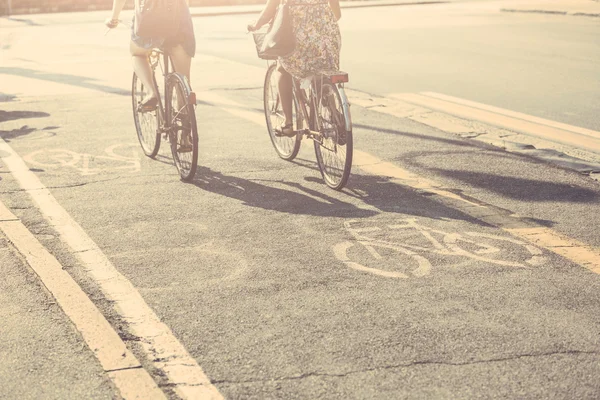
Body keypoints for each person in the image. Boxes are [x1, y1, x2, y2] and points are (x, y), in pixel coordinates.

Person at [248, 0, 341, 137]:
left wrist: (256, 25)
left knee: (282, 69)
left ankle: (288, 124)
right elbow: (337, 14)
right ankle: (335, 114)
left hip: (299, 41)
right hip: (328, 40)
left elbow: (269, 10)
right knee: (321, 70)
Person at [105, 0, 196, 110]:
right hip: (179, 21)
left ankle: (152, 92)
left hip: (148, 20)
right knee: (184, 81)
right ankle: (185, 116)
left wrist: (114, 18)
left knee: (137, 54)